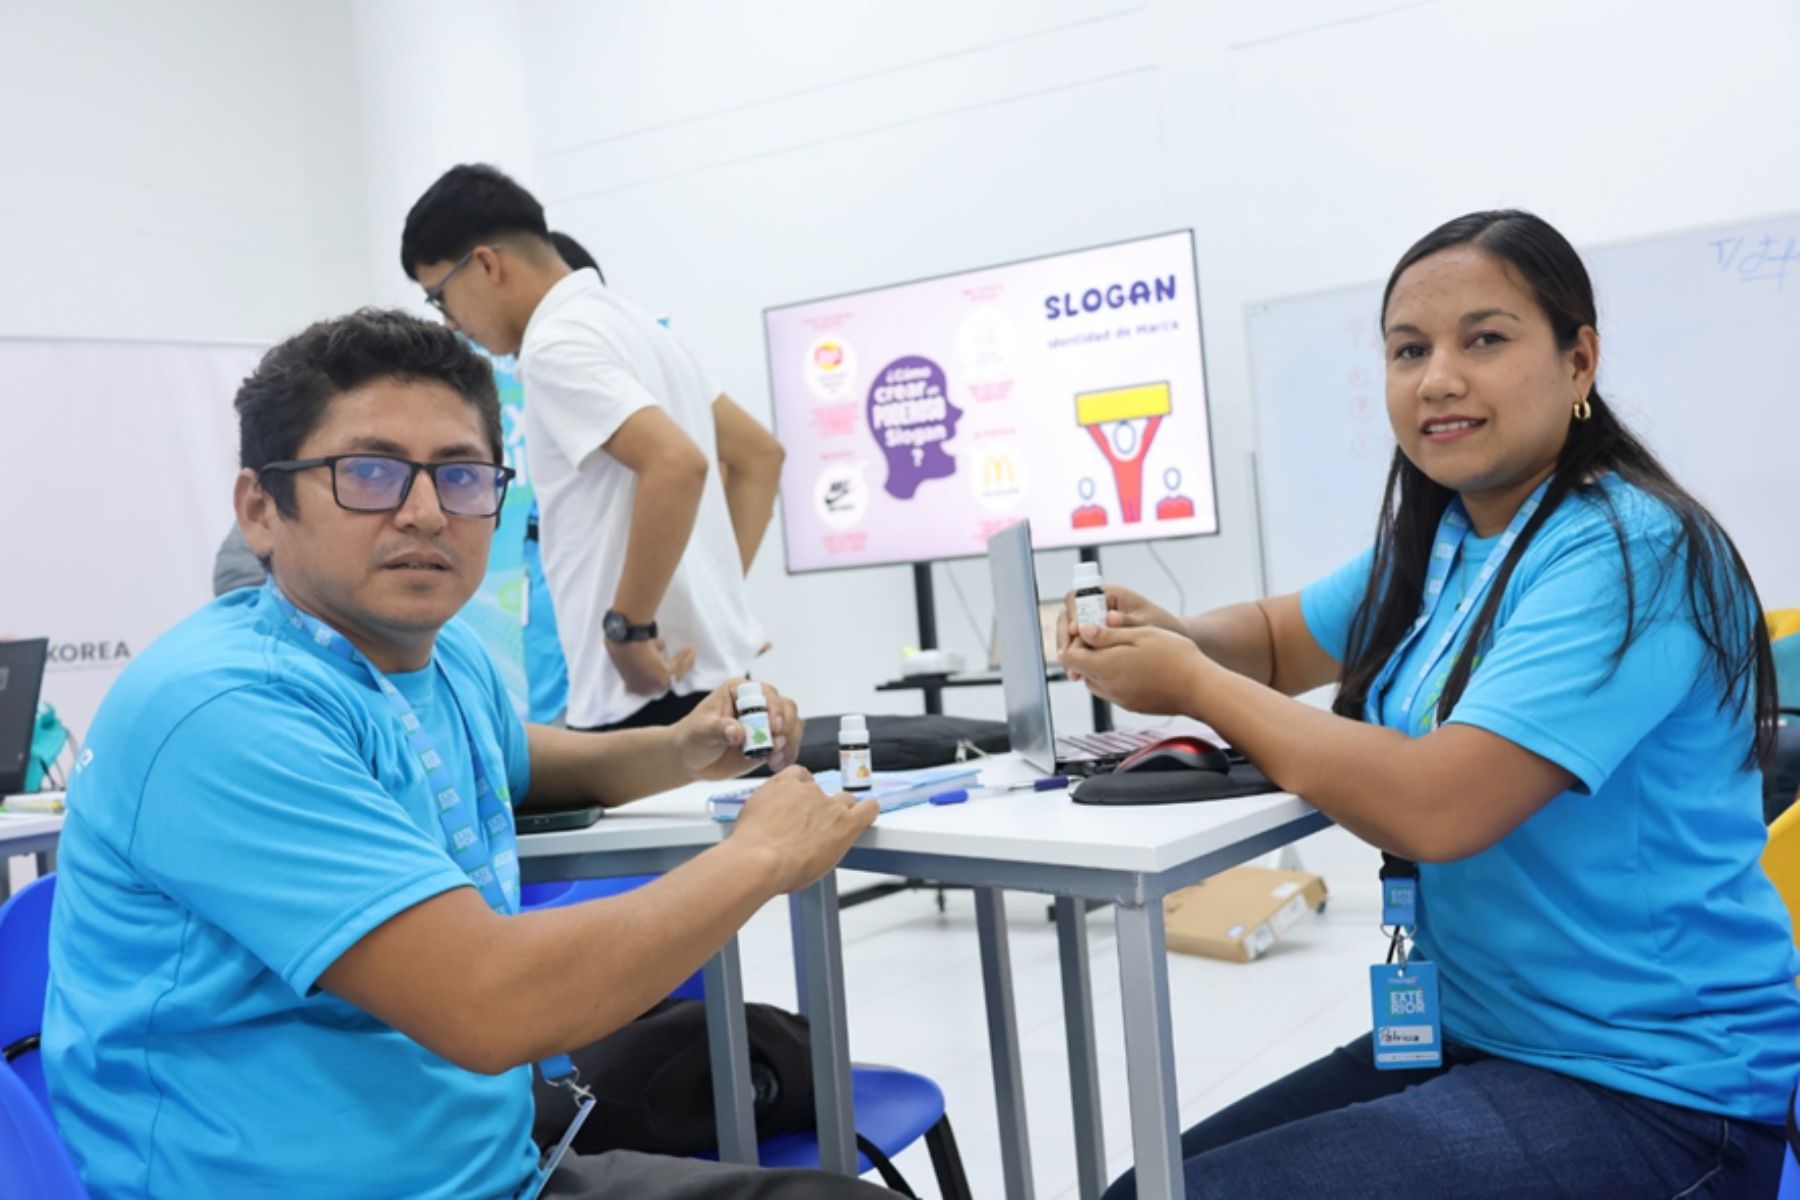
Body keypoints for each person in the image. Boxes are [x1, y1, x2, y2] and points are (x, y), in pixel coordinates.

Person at [43, 309, 889, 1200]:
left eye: (461, 475)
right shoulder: (223, 711)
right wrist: (761, 856)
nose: (425, 512)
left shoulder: (439, 659)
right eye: (368, 473)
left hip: (494, 1175)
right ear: (261, 509)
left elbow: (517, 759)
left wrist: (680, 749)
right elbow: (492, 1003)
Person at [1061, 210, 1800, 1198]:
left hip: (1658, 1089)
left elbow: (1436, 806)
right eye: (1409, 350)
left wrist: (1192, 682)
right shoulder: (1451, 537)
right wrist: (1175, 632)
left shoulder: (1632, 550)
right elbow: (1280, 639)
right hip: (1481, 1035)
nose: (1438, 379)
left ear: (1579, 361)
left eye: (1484, 340)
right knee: (1147, 1188)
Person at [401, 165, 786, 732]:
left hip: (644, 695)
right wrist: (717, 609)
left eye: (440, 297)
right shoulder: (636, 327)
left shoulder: (556, 343)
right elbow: (759, 456)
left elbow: (676, 463)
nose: (452, 323)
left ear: (485, 264)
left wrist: (628, 629)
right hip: (715, 679)